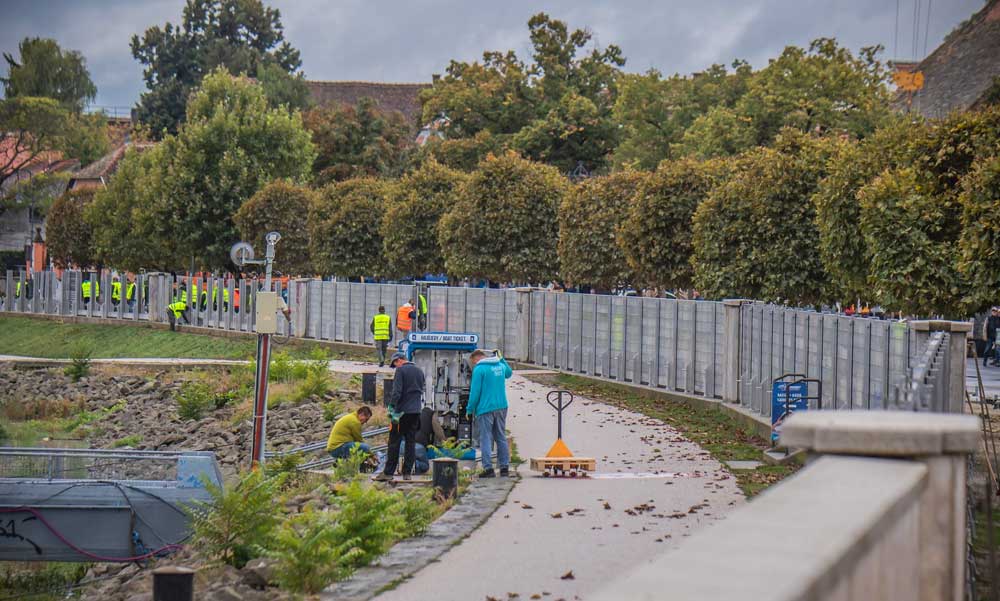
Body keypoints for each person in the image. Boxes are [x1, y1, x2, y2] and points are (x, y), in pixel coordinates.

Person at [374, 352, 424, 482]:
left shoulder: (401, 371)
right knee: (410, 442)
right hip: (416, 411)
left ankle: (388, 472)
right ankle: (407, 473)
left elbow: (397, 391)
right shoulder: (419, 371)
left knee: (394, 442)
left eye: (395, 363)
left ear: (399, 360)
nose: (395, 366)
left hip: (401, 413)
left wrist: (391, 406)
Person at [466, 349, 513, 478]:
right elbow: (509, 373)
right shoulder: (499, 365)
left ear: (477, 358)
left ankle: (488, 469)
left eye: (473, 362)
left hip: (485, 409)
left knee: (485, 438)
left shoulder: (480, 369)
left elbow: (475, 392)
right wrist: (501, 357)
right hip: (502, 406)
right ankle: (504, 468)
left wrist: (469, 409)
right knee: (500, 437)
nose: (473, 365)